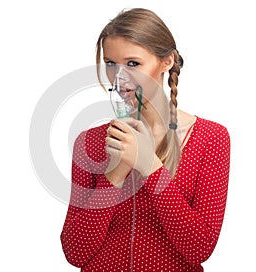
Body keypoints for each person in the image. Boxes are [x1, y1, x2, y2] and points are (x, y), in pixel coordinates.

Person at [60, 8, 230, 272]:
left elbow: (199, 247)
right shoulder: (89, 142)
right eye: (110, 63)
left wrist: (149, 165)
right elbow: (76, 252)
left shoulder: (211, 138)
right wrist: (115, 173)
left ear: (167, 61)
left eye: (133, 63)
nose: (119, 78)